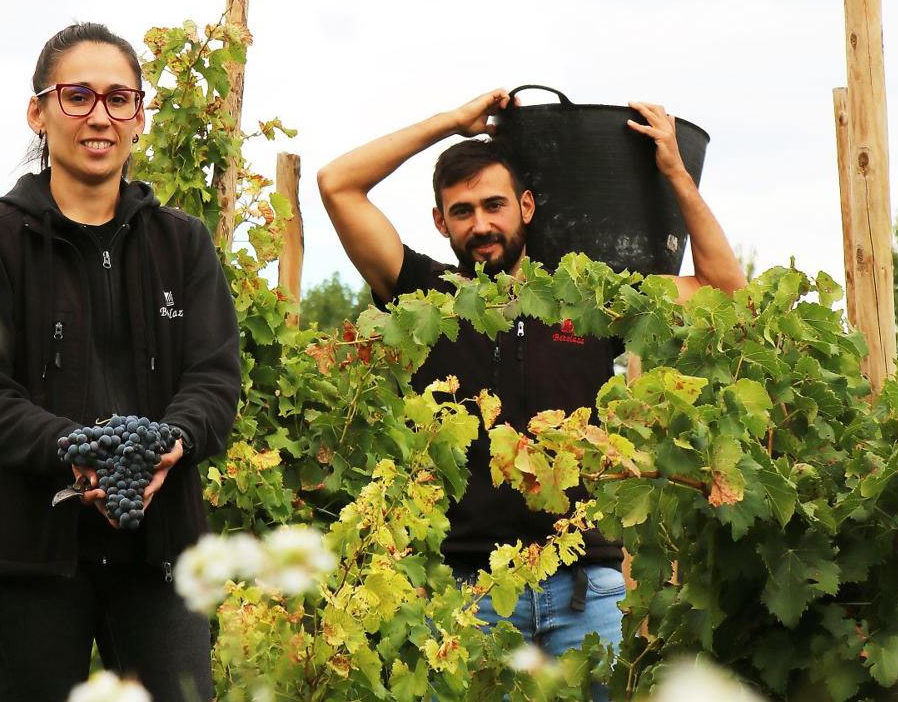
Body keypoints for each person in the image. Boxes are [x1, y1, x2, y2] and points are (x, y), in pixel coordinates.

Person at [316, 89, 745, 673]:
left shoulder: (587, 295)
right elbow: (336, 181)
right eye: (462, 212)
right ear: (440, 223)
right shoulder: (424, 296)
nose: (481, 224)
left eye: (494, 205)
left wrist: (673, 170)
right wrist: (450, 123)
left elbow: (723, 289)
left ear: (527, 207)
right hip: (471, 594)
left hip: (585, 588)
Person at [0, 22, 240, 702]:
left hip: (159, 553)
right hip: (26, 556)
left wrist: (170, 443)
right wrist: (81, 453)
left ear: (140, 115)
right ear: (38, 111)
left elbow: (214, 379)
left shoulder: (183, 243)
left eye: (118, 98)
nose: (99, 115)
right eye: (76, 95)